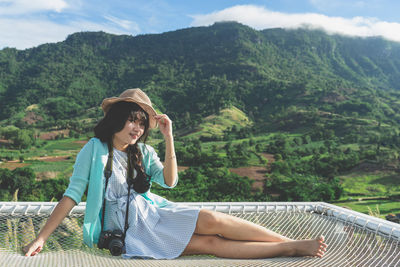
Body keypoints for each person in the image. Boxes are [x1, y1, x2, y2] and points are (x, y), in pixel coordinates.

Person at [24, 88, 328, 259]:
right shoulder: (94, 149)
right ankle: (291, 247)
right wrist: (41, 238)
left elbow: (169, 182)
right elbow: (72, 196)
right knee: (209, 245)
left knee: (212, 220)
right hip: (129, 232)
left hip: (153, 214)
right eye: (132, 121)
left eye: (142, 123)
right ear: (117, 119)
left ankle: (292, 242)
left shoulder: (142, 153)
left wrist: (169, 137)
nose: (137, 128)